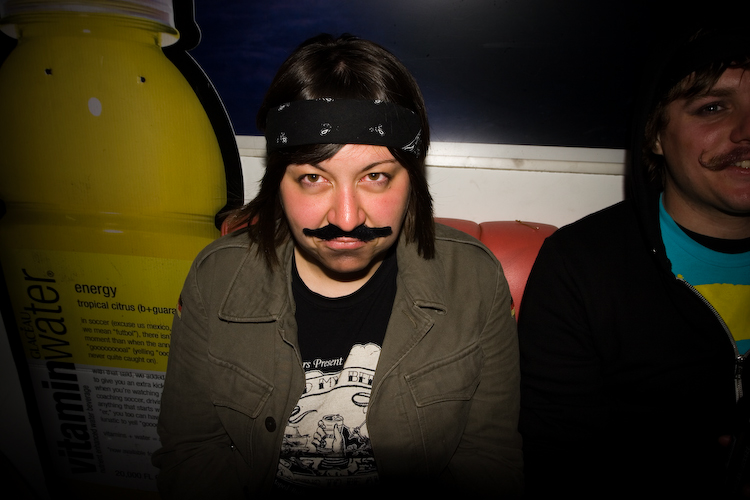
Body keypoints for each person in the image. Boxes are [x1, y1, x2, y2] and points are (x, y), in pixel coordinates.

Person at [153, 33, 523, 498]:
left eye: (375, 176)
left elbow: (489, 459)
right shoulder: (216, 279)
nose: (346, 219)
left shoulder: (474, 281)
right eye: (313, 177)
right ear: (278, 181)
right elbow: (190, 452)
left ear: (411, 178)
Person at [517, 26, 750, 498]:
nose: (747, 130)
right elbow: (556, 463)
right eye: (712, 107)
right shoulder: (582, 267)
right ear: (656, 135)